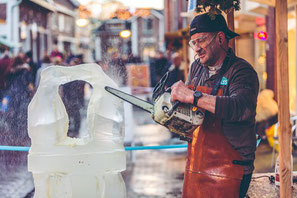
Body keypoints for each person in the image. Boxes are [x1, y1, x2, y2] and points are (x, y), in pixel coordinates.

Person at [170, 13, 259, 198]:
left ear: (220, 38)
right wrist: (174, 113)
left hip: (230, 169)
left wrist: (192, 96)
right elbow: (191, 111)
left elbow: (241, 108)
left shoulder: (241, 71)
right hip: (197, 163)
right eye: (193, 43)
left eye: (201, 40)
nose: (197, 48)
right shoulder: (196, 68)